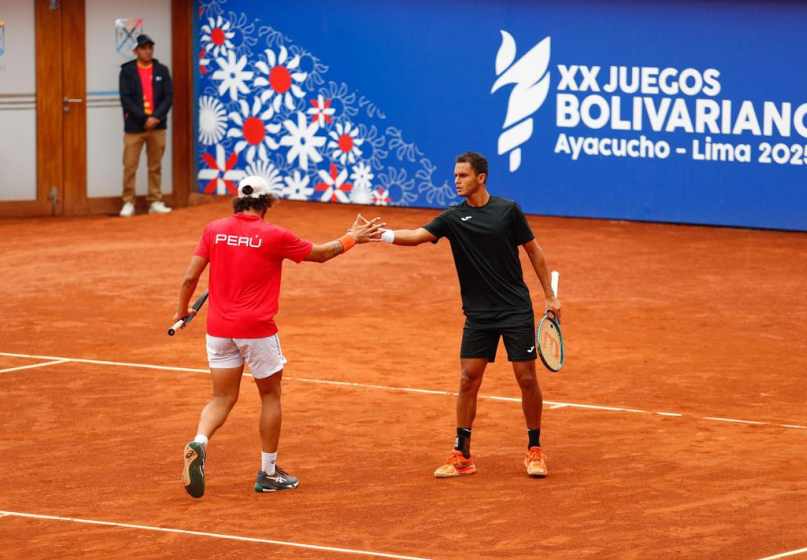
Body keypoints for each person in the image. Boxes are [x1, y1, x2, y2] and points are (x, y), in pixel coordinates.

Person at [175, 176, 383, 498]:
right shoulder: (274, 235)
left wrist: (182, 311)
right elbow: (322, 253)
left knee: (222, 398)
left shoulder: (214, 229)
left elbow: (190, 277)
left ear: (238, 201)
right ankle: (269, 473)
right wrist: (352, 237)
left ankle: (199, 442)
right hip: (256, 330)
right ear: (266, 202)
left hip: (217, 329)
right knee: (270, 396)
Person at [375, 151, 561, 478]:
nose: (456, 180)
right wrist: (383, 235)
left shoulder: (508, 211)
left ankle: (534, 448)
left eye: (462, 175)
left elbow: (534, 250)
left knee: (527, 379)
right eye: (455, 175)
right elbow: (418, 236)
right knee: (467, 380)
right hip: (478, 315)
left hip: (515, 309)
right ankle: (463, 454)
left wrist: (549, 296)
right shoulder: (451, 217)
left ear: (481, 178)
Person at [119, 34, 174, 217]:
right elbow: (126, 99)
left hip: (157, 126)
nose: (148, 51)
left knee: (155, 166)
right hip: (134, 127)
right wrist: (144, 119)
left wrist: (156, 117)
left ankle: (155, 201)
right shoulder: (127, 71)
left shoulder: (162, 70)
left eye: (150, 47)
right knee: (130, 166)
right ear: (136, 51)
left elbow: (168, 97)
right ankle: (128, 202)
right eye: (143, 48)